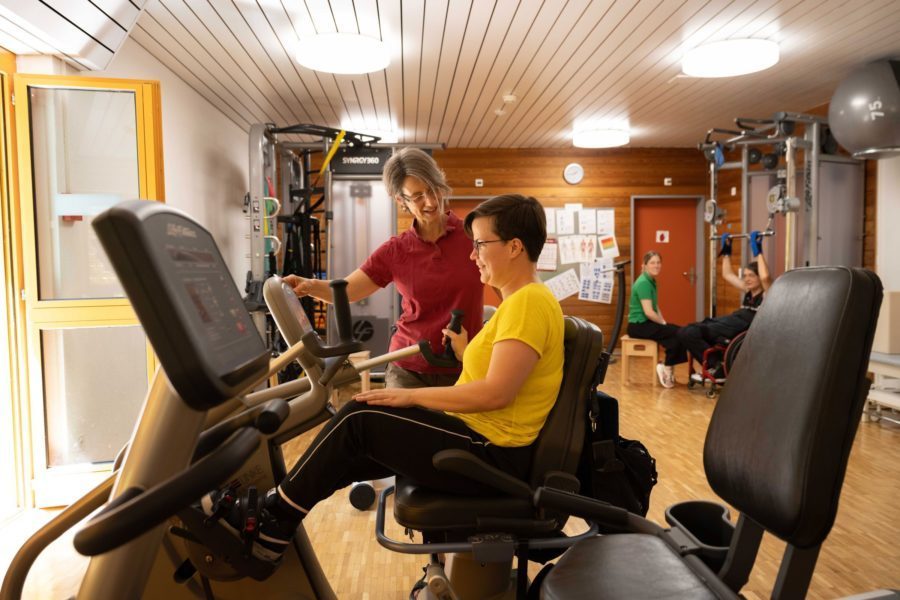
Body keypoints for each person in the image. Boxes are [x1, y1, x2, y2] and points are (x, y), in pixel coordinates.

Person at [203, 194, 565, 564]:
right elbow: (503, 373)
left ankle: (272, 522)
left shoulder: (527, 303)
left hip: (494, 452)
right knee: (353, 441)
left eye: (480, 245)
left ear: (515, 247)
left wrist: (413, 398)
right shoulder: (522, 303)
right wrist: (465, 350)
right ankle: (275, 515)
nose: (473, 255)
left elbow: (496, 393)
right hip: (484, 438)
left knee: (359, 420)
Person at [283, 147, 484, 389]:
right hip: (409, 368)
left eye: (433, 190)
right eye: (418, 195)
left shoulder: (474, 237)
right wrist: (309, 285)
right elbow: (348, 291)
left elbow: (508, 284)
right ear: (401, 200)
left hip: (465, 366)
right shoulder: (396, 250)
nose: (430, 202)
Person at [677, 231, 772, 382]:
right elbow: (727, 275)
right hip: (731, 321)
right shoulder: (748, 291)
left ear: (759, 278)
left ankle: (716, 368)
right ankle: (715, 365)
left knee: (690, 332)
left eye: (751, 276)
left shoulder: (769, 295)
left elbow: (766, 277)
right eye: (745, 275)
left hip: (742, 327)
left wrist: (758, 251)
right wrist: (726, 251)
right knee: (684, 331)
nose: (747, 279)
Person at [626, 251, 686, 388]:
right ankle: (666, 368)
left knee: (678, 335)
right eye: (652, 263)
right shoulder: (643, 283)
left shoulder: (651, 281)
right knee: (679, 332)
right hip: (638, 326)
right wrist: (663, 324)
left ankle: (666, 368)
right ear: (645, 265)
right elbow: (648, 312)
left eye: (658, 262)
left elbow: (655, 306)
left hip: (646, 323)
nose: (656, 265)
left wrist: (664, 322)